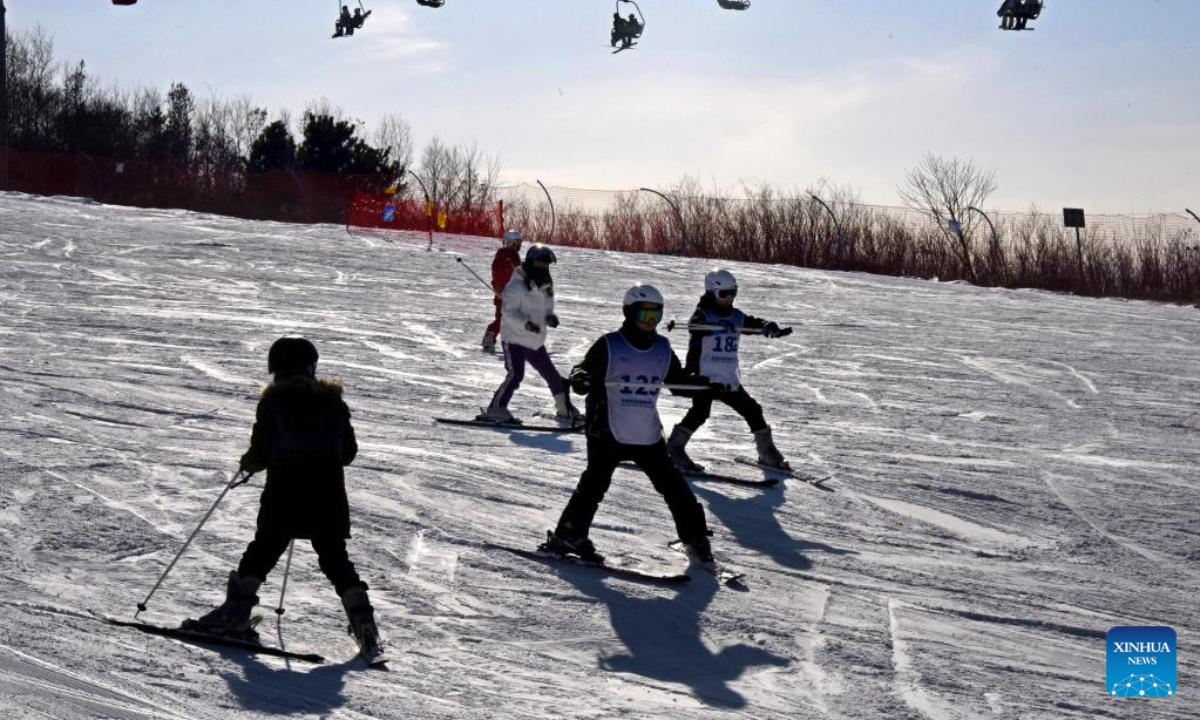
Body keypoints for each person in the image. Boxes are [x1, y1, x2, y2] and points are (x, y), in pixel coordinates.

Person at [184, 337, 383, 659]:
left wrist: (248, 464)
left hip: (284, 492)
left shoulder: (273, 402)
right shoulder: (334, 403)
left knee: (263, 551)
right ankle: (364, 623)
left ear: (274, 368)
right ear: (311, 366)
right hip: (327, 495)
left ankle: (235, 614)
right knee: (335, 559)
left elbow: (260, 454)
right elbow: (348, 453)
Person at [539, 284, 718, 566]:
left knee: (674, 487)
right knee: (594, 485)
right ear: (629, 312)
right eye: (645, 315)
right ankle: (569, 535)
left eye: (656, 317)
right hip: (606, 429)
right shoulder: (610, 344)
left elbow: (675, 381)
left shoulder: (661, 347)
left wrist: (702, 385)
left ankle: (694, 537)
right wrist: (581, 379)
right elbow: (582, 371)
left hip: (646, 433)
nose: (650, 322)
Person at [666, 269, 794, 474]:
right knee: (700, 413)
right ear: (710, 293)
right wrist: (711, 327)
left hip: (728, 378)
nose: (729, 298)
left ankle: (767, 451)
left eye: (733, 293)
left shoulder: (736, 316)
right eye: (723, 294)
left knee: (752, 410)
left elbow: (752, 323)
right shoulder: (703, 314)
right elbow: (693, 326)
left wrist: (768, 326)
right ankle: (674, 448)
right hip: (704, 377)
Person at [478, 244, 581, 424]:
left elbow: (547, 305)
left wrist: (549, 317)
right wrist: (525, 324)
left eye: (546, 266)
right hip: (514, 339)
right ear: (531, 263)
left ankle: (564, 409)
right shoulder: (516, 286)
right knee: (515, 374)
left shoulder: (546, 284)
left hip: (534, 341)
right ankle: (496, 408)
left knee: (552, 375)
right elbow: (508, 313)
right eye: (540, 265)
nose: (543, 269)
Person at [482, 230, 524, 353]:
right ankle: (492, 337)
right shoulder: (510, 257)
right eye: (518, 242)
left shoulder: (502, 256)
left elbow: (501, 275)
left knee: (505, 318)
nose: (519, 245)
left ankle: (493, 335)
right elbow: (511, 275)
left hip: (505, 294)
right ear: (511, 243)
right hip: (508, 295)